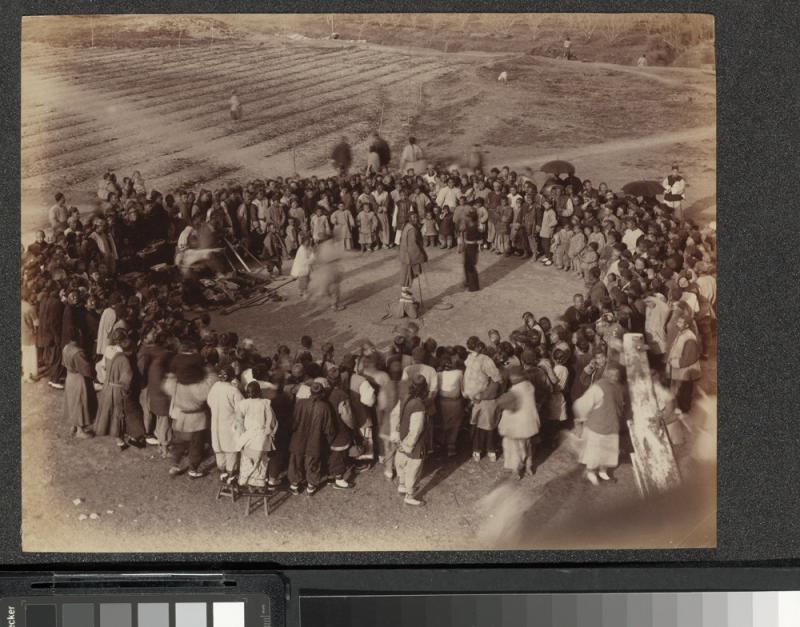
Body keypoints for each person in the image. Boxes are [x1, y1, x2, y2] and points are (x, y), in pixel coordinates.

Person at [572, 363, 627, 485]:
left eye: (616, 374)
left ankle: (603, 471)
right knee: (594, 453)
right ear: (605, 374)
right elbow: (581, 404)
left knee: (608, 451)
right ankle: (590, 471)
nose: (614, 376)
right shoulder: (597, 387)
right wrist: (581, 420)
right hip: (597, 426)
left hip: (612, 425)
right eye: (611, 373)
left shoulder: (619, 388)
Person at [94, 335, 146, 451]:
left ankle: (119, 440)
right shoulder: (126, 361)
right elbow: (127, 380)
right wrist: (127, 393)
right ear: (131, 349)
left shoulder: (116, 355)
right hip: (117, 391)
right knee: (119, 416)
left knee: (112, 415)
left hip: (108, 387)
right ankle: (123, 440)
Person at [390, 373, 431, 506]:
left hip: (401, 438)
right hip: (414, 444)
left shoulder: (404, 397)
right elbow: (416, 430)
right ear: (424, 389)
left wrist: (396, 434)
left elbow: (394, 415)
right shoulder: (419, 405)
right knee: (414, 469)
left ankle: (401, 485)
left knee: (400, 463)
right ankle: (410, 495)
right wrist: (408, 445)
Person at [288, 381, 336, 495]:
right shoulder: (325, 407)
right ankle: (311, 485)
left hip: (298, 438)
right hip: (315, 440)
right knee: (313, 462)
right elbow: (329, 429)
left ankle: (294, 485)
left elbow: (293, 422)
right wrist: (328, 442)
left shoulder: (301, 403)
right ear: (322, 393)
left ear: (310, 391)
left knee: (296, 461)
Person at [463, 336, 503, 462]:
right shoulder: (482, 359)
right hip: (480, 398)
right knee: (487, 426)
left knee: (480, 426)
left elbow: (495, 379)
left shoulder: (471, 358)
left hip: (477, 397)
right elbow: (497, 378)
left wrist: (481, 395)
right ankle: (488, 450)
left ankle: (479, 450)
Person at [496, 365, 540, 479]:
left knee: (515, 448)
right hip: (530, 423)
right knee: (528, 446)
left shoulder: (515, 391)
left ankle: (516, 470)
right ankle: (529, 467)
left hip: (517, 426)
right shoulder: (530, 386)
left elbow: (501, 403)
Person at [234, 381, 277, 490]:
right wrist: (269, 435)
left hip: (247, 436)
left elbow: (238, 422)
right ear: (259, 392)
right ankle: (259, 484)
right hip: (261, 437)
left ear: (248, 393)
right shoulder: (265, 403)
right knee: (261, 461)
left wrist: (241, 436)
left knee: (247, 460)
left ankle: (247, 482)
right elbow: (271, 422)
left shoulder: (243, 404)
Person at [208, 365, 244, 482]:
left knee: (219, 450)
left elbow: (209, 402)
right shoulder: (233, 390)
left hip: (216, 424)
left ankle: (223, 473)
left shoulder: (215, 387)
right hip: (229, 426)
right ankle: (231, 475)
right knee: (231, 450)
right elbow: (242, 408)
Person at [62, 328, 96, 439]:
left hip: (69, 377)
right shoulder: (78, 352)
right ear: (78, 337)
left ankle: (74, 426)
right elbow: (86, 369)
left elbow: (63, 363)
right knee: (80, 403)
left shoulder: (66, 348)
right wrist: (93, 375)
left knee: (72, 402)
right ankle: (80, 430)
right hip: (78, 378)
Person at [666, 314, 701, 422]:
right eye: (678, 321)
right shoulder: (682, 333)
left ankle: (684, 410)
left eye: (680, 322)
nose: (677, 323)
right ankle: (680, 406)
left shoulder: (689, 338)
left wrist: (673, 362)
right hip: (680, 370)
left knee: (685, 390)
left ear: (686, 325)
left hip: (686, 371)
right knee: (681, 389)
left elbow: (688, 359)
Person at [398, 211, 428, 290]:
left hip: (405, 256)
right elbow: (413, 245)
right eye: (413, 217)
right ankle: (406, 300)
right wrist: (422, 256)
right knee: (408, 277)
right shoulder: (412, 229)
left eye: (416, 217)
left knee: (406, 277)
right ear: (409, 219)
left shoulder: (407, 226)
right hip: (409, 257)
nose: (416, 219)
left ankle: (407, 298)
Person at [21, 289, 39, 383]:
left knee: (24, 356)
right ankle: (30, 376)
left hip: (22, 334)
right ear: (28, 296)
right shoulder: (30, 308)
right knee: (31, 356)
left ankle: (25, 375)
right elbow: (36, 323)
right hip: (30, 336)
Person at [462, 211, 481, 291]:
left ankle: (474, 287)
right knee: (466, 265)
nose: (466, 218)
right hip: (468, 247)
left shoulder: (475, 228)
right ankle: (468, 282)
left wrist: (478, 248)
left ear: (471, 219)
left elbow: (479, 240)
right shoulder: (468, 225)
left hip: (472, 248)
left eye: (468, 217)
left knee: (470, 266)